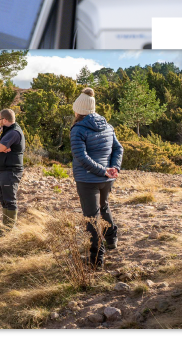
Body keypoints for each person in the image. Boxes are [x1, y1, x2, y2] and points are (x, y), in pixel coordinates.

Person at [69, 88, 124, 265]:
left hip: (88, 179)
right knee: (104, 207)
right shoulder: (108, 126)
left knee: (92, 217)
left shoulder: (78, 129)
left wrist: (104, 170)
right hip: (106, 179)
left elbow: (81, 157)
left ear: (79, 110)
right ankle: (111, 239)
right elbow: (118, 149)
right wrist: (113, 168)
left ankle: (96, 259)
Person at [0, 109, 26, 230]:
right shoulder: (7, 132)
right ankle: (5, 227)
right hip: (3, 169)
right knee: (3, 198)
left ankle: (9, 230)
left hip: (11, 170)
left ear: (5, 120)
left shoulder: (13, 132)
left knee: (9, 199)